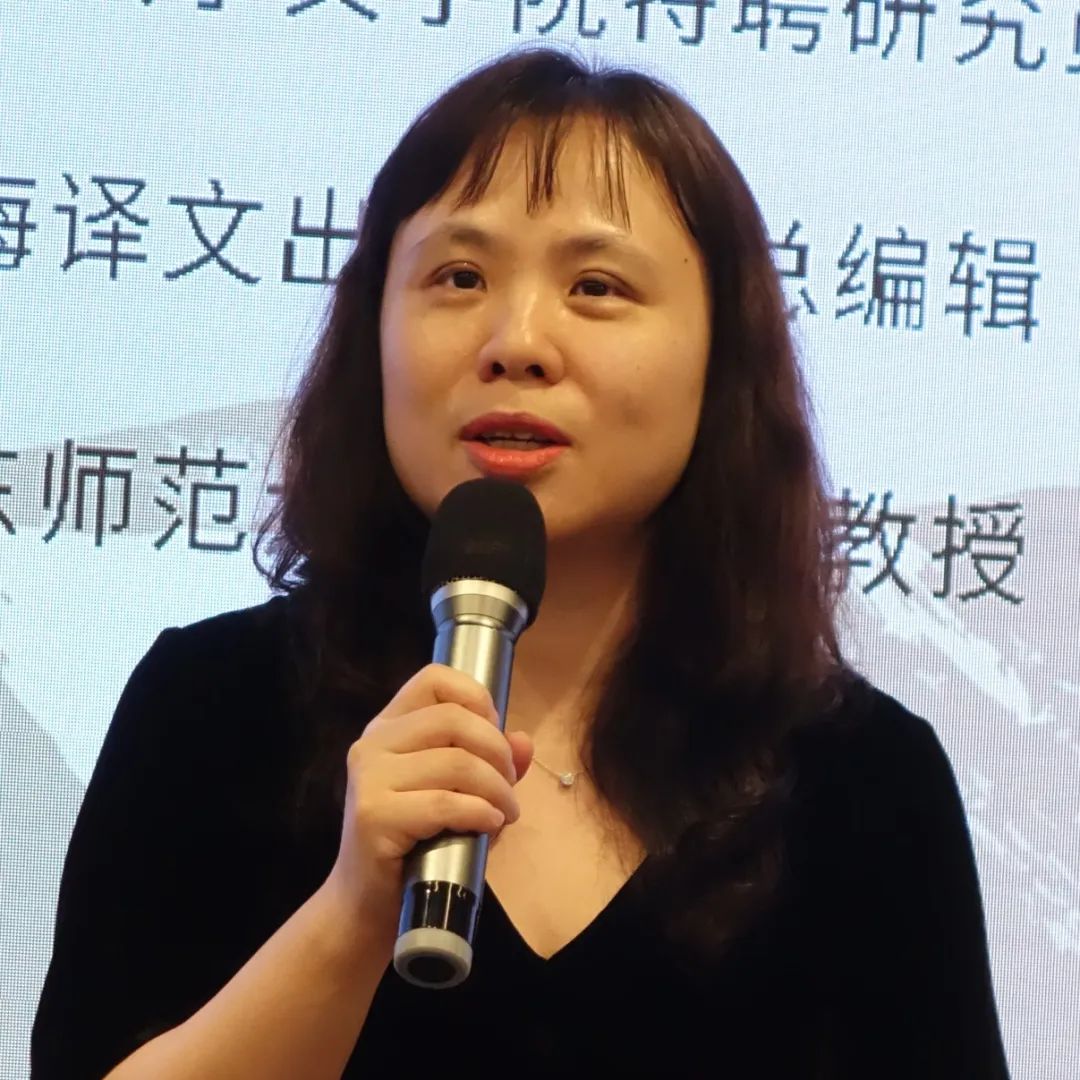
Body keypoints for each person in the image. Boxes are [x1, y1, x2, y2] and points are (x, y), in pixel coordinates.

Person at [31, 45, 1010, 1079]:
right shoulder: (210, 707)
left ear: (721, 359)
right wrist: (351, 913)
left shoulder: (863, 782)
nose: (517, 341)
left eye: (596, 286)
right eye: (459, 277)